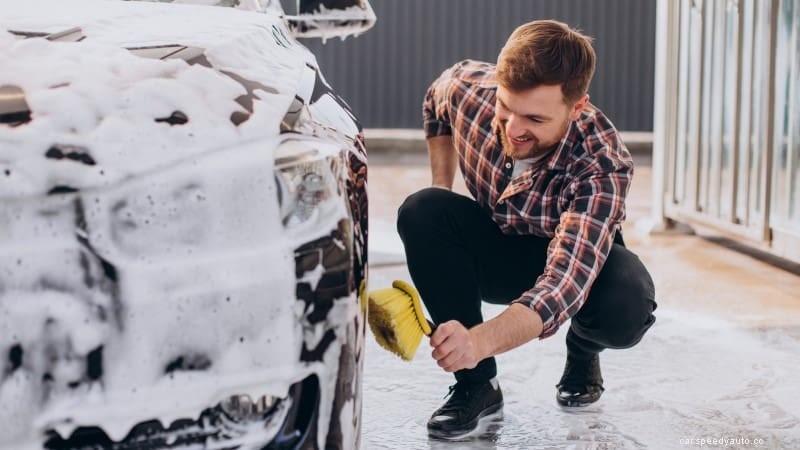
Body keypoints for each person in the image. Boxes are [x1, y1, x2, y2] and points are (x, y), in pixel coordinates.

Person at [397, 19, 657, 440]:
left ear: (576, 108)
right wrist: (441, 184)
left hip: (572, 259)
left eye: (534, 118)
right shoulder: (468, 88)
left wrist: (479, 340)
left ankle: (583, 349)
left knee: (626, 304)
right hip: (498, 244)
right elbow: (435, 102)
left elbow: (563, 283)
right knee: (424, 210)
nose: (514, 129)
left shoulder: (602, 162)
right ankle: (477, 385)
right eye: (506, 107)